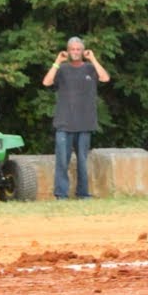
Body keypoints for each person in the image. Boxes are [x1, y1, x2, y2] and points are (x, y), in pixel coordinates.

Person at [42, 37, 110, 199]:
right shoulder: (62, 69)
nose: (75, 52)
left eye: (78, 49)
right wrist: (57, 61)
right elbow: (46, 82)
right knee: (62, 162)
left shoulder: (89, 68)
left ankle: (83, 194)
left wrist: (93, 58)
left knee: (82, 163)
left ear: (83, 51)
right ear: (68, 51)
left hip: (85, 123)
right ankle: (61, 195)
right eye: (72, 49)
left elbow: (105, 78)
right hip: (64, 123)